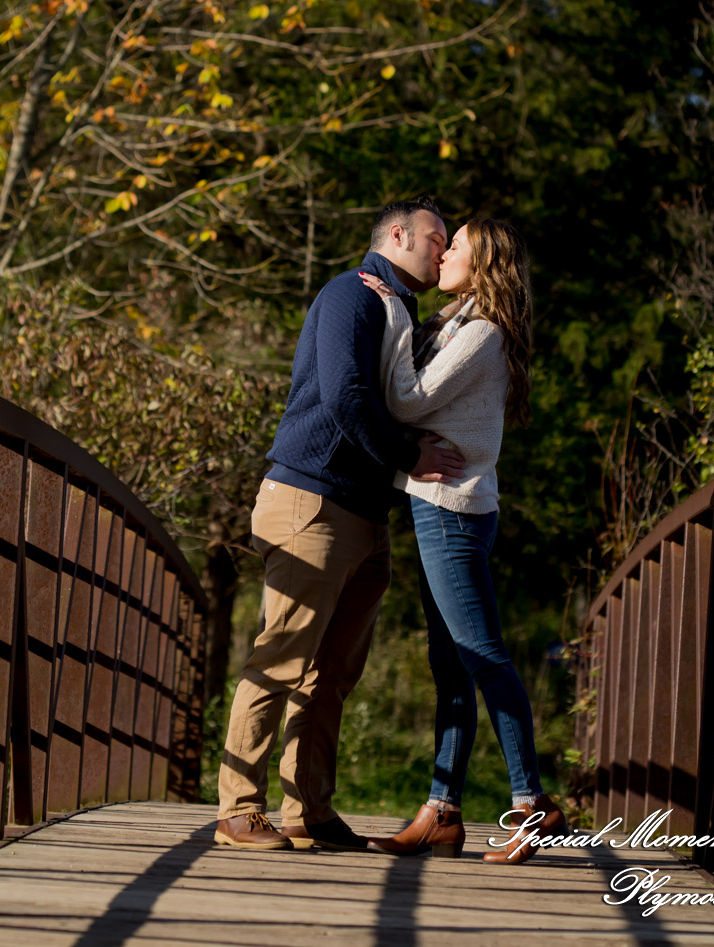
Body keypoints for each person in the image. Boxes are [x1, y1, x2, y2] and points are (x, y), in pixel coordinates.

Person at [212, 197, 467, 852]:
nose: (443, 251)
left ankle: (308, 811)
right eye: (436, 238)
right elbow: (344, 394)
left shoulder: (395, 307)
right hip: (312, 501)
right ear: (397, 235)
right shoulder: (351, 295)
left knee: (331, 675)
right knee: (282, 657)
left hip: (363, 513)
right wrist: (410, 455)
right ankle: (238, 809)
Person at [359, 217, 566, 865]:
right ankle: (442, 812)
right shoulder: (456, 325)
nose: (444, 253)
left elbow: (407, 398)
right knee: (451, 664)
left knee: (481, 656)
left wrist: (393, 315)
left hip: (451, 512)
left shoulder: (479, 333)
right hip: (442, 509)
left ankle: (532, 803)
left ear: (483, 267)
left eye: (456, 246)